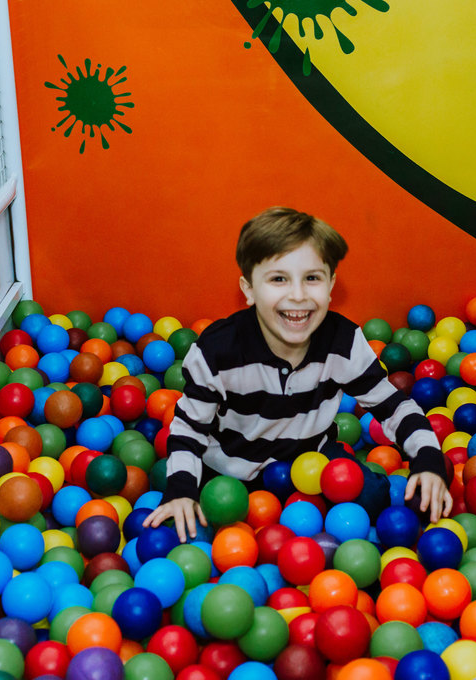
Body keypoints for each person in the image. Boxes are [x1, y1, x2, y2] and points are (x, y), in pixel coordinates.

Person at [142, 206, 453, 541]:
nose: (298, 295)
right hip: (228, 470)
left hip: (311, 462)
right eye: (278, 279)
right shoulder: (217, 351)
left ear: (331, 286)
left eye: (312, 278)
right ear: (249, 289)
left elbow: (393, 406)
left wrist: (428, 459)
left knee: (374, 500)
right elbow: (188, 429)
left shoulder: (343, 343)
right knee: (184, 528)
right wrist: (181, 489)